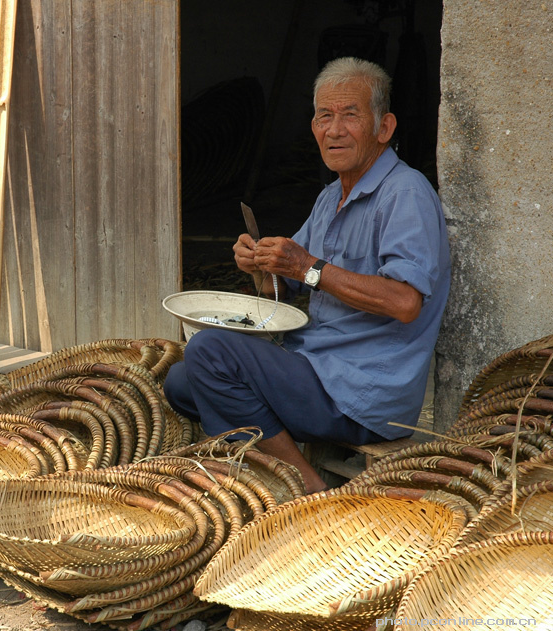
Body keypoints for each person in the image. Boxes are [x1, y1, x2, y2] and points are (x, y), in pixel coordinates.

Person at [164, 56, 451, 494]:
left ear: (384, 127)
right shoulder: (330, 196)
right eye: (323, 116)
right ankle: (273, 462)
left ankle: (306, 487)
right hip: (315, 364)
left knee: (209, 355)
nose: (334, 130)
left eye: (350, 115)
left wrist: (308, 267)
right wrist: (261, 265)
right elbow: (285, 286)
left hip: (362, 390)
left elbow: (405, 302)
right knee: (182, 383)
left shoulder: (405, 194)